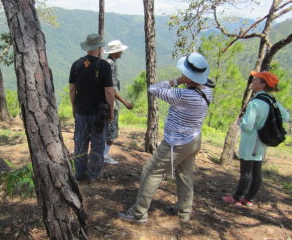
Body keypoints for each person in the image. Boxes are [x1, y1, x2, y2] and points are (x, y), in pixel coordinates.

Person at [118, 52, 212, 223]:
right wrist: (189, 80)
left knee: (151, 171)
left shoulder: (183, 95)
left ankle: (138, 213)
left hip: (176, 142)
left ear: (189, 77)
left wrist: (178, 80)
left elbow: (153, 89)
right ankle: (183, 211)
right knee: (185, 174)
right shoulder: (207, 92)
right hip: (193, 139)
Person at [222, 71, 289, 206]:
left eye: (256, 79)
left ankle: (237, 198)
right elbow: (286, 116)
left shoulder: (256, 103)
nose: (253, 81)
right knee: (256, 170)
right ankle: (249, 198)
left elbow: (247, 125)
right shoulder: (271, 100)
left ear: (262, 84)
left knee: (246, 171)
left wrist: (240, 121)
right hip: (262, 142)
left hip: (251, 141)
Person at [69, 33, 115, 182]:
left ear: (87, 47)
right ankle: (93, 176)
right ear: (99, 48)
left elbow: (72, 89)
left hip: (81, 111)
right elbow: (109, 91)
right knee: (98, 144)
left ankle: (79, 174)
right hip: (99, 113)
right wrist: (111, 110)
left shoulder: (76, 64)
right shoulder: (104, 66)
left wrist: (74, 107)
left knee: (80, 143)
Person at [103, 40, 133, 165]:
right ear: (115, 52)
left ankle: (101, 154)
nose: (122, 52)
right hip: (111, 103)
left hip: (103, 102)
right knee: (111, 131)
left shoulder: (106, 63)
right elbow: (111, 88)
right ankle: (104, 156)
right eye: (120, 50)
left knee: (104, 130)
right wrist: (125, 102)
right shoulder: (111, 65)